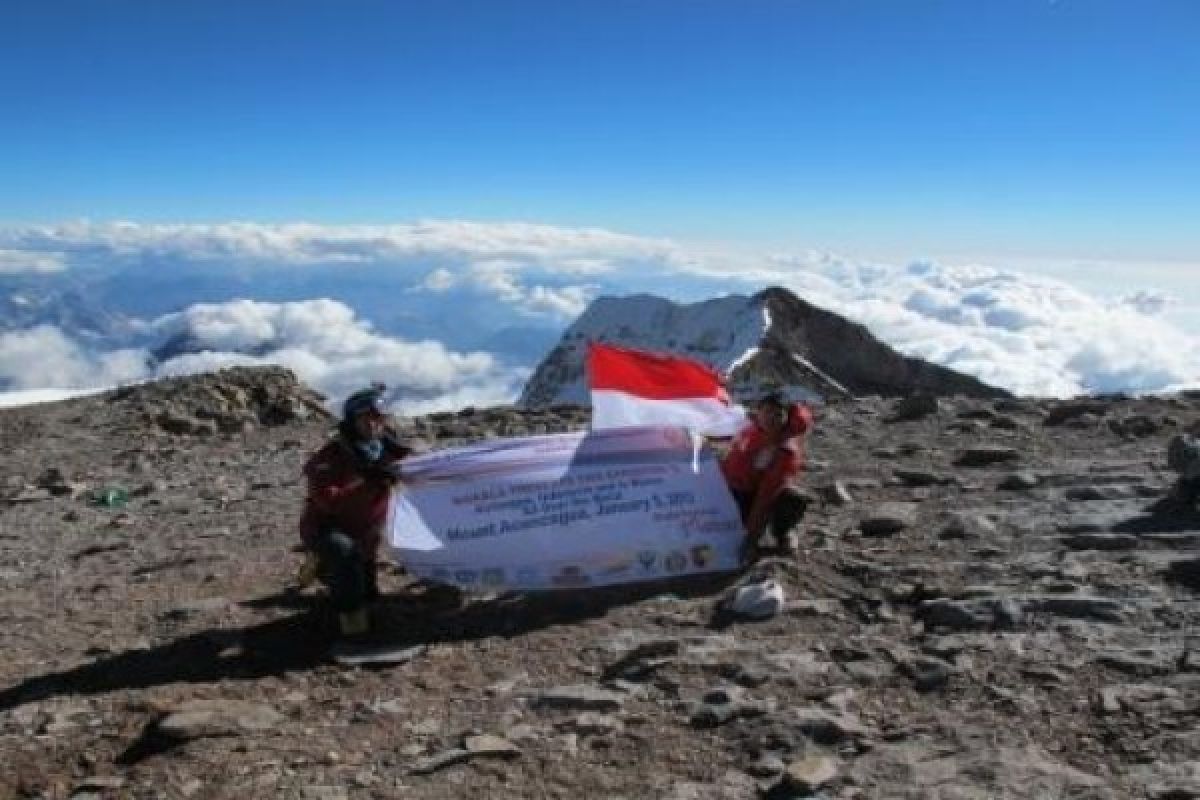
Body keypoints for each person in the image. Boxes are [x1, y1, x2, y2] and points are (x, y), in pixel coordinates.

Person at [298, 384, 411, 638]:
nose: (373, 424)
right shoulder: (329, 458)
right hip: (328, 528)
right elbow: (329, 502)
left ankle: (322, 567)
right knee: (344, 557)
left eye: (378, 417)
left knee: (368, 594)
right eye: (365, 418)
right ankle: (354, 631)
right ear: (352, 421)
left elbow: (419, 468)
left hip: (366, 532)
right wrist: (367, 482)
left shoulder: (391, 452)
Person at [720, 391, 814, 559]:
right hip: (733, 489)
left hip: (751, 497)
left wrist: (750, 538)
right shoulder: (751, 429)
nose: (771, 418)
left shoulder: (784, 450)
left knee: (792, 499)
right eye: (767, 411)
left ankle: (781, 533)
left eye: (778, 414)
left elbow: (766, 495)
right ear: (759, 412)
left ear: (787, 418)